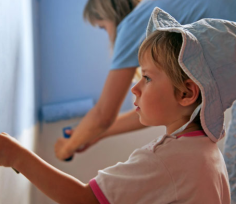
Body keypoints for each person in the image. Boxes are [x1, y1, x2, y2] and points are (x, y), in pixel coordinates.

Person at [0, 8, 236, 203]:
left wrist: (19, 157)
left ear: (186, 93)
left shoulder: (167, 160)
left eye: (147, 78)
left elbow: (84, 200)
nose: (135, 88)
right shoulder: (208, 153)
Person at [54, 0, 236, 161]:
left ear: (111, 14)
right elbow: (157, 104)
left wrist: (65, 149)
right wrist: (99, 134)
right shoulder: (159, 7)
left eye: (103, 27)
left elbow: (103, 115)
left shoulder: (131, 24)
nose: (135, 89)